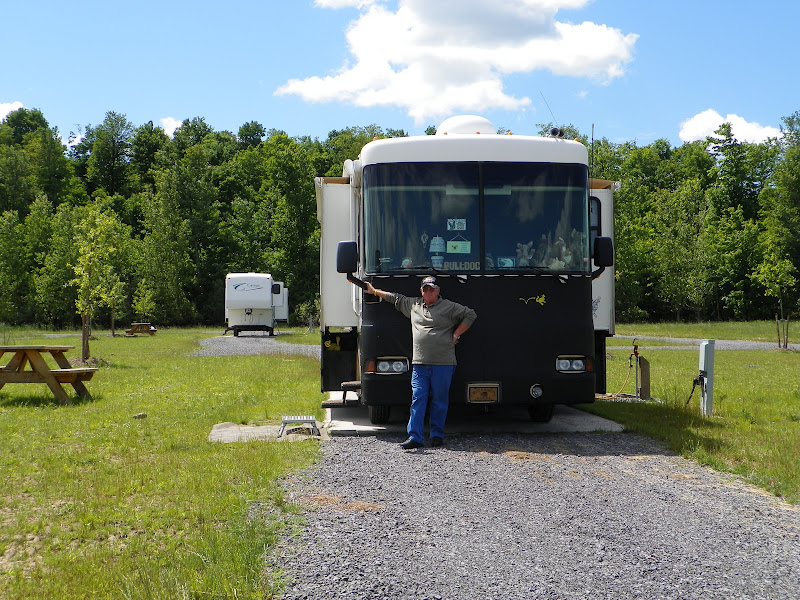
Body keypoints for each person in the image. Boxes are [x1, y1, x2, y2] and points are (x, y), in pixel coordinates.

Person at [365, 276, 477, 449]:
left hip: (443, 363)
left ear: (438, 291)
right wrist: (374, 292)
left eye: (432, 289)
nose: (428, 292)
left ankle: (437, 435)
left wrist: (456, 334)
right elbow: (395, 298)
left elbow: (470, 314)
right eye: (425, 289)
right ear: (421, 291)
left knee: (439, 400)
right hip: (420, 364)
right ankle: (415, 437)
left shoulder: (448, 307)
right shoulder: (414, 305)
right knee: (418, 398)